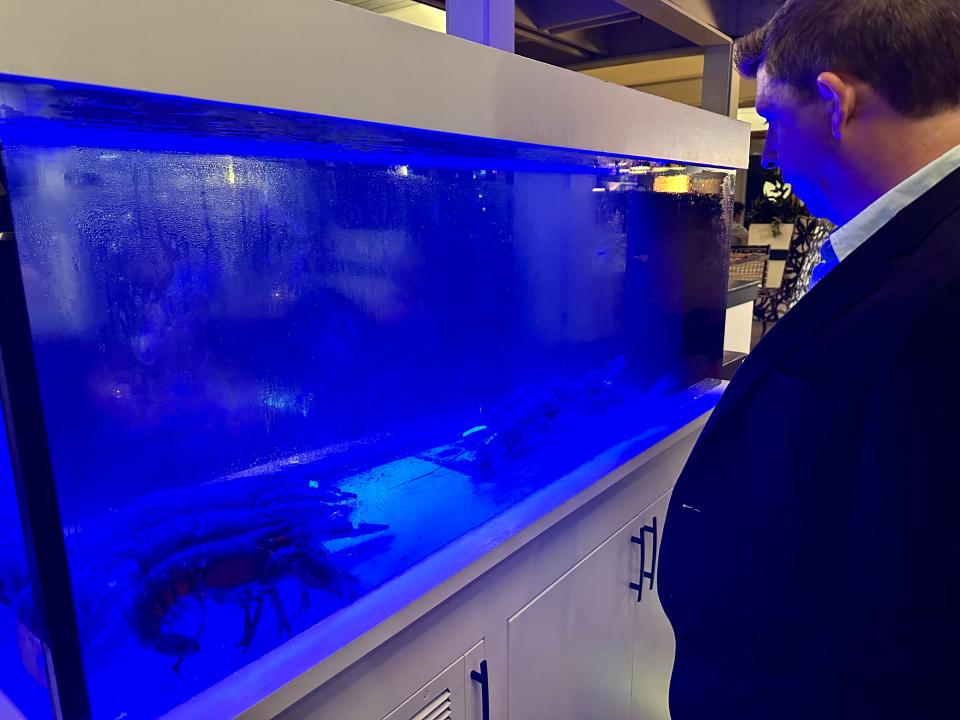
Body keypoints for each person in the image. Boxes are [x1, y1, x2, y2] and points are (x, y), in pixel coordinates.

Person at [657, 1, 960, 718]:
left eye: (772, 119)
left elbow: (917, 621)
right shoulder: (907, 248)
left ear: (834, 100)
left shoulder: (943, 288)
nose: (774, 152)